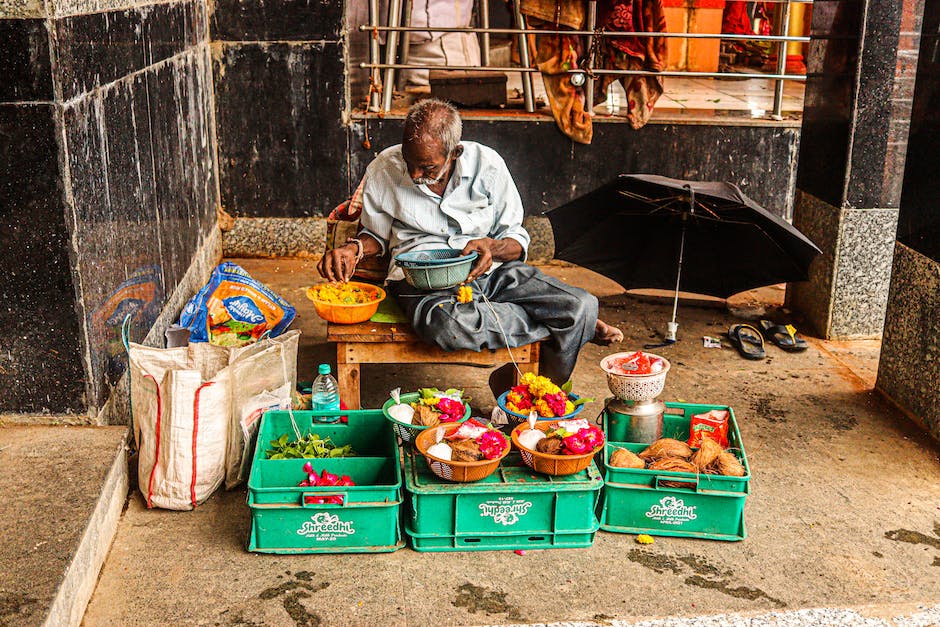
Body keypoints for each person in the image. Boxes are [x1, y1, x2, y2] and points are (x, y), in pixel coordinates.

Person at [318, 98, 623, 387]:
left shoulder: (488, 165)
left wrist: (492, 247)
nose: (414, 174)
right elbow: (375, 235)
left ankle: (526, 383)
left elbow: (516, 239)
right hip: (422, 281)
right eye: (410, 162)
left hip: (490, 272)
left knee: (582, 304)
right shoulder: (385, 167)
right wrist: (353, 249)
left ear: (455, 153)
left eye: (427, 168)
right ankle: (567, 326)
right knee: (448, 326)